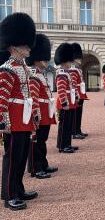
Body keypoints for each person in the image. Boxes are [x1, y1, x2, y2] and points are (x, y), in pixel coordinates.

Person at [0, 12, 39, 211]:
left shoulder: (23, 67)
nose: (29, 48)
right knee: (12, 157)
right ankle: (9, 195)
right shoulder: (7, 69)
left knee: (22, 156)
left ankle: (19, 189)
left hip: (23, 117)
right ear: (14, 46)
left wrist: (34, 114)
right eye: (25, 45)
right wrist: (3, 121)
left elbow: (28, 94)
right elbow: (2, 98)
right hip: (14, 119)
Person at [26, 34, 58, 179]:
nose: (46, 61)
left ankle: (43, 164)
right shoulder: (33, 74)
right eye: (44, 58)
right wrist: (36, 113)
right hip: (39, 112)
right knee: (36, 141)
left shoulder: (41, 74)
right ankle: (35, 168)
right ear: (37, 58)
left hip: (45, 111)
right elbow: (33, 96)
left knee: (42, 140)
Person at [55, 43, 79, 153]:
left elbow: (72, 87)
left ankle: (67, 143)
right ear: (65, 61)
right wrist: (64, 103)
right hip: (65, 104)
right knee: (64, 126)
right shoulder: (61, 73)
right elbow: (61, 90)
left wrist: (76, 96)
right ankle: (62, 145)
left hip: (70, 102)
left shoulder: (67, 73)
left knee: (68, 125)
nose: (71, 63)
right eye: (70, 61)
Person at [70, 43, 89, 139]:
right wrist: (76, 96)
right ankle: (74, 131)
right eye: (78, 58)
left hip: (80, 95)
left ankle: (78, 129)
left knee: (79, 114)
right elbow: (73, 84)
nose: (80, 59)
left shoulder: (77, 69)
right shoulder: (73, 70)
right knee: (75, 115)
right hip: (76, 95)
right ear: (74, 58)